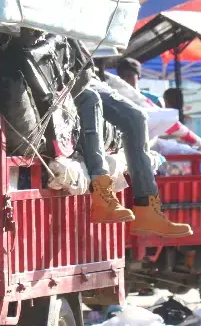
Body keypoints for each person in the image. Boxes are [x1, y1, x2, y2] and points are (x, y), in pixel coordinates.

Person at [72, 45, 192, 237]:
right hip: (57, 70)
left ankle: (147, 208)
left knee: (137, 117)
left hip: (78, 62)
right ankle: (101, 193)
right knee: (90, 99)